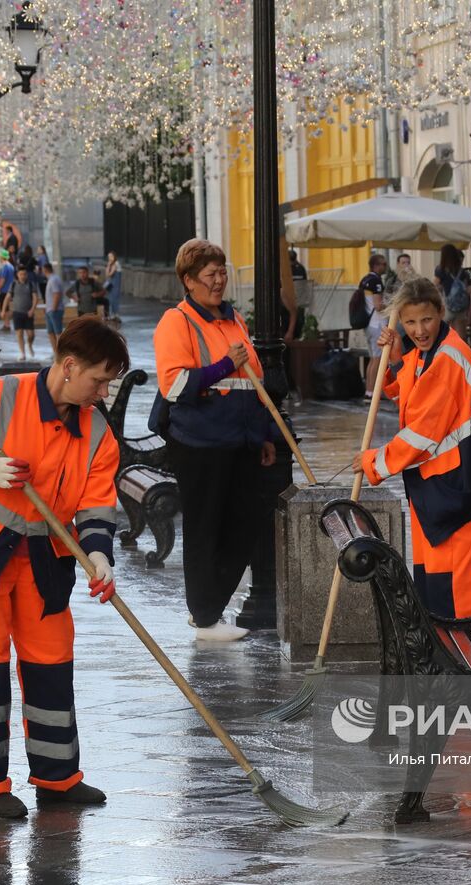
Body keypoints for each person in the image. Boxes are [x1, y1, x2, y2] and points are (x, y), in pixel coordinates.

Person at [0, 316, 126, 819]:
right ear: (69, 365)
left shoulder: (96, 431)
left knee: (52, 666)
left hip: (45, 561)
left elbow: (97, 504)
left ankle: (58, 779)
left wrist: (98, 554)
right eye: (99, 380)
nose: (103, 392)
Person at [150, 239, 277, 642]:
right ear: (189, 280)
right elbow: (174, 385)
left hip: (241, 440)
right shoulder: (177, 322)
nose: (219, 280)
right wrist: (225, 365)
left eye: (222, 272)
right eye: (211, 274)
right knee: (206, 529)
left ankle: (210, 608)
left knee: (244, 526)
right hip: (200, 443)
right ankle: (205, 617)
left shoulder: (233, 318)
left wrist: (265, 435)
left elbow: (252, 383)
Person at [360, 277, 471, 619]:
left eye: (427, 319)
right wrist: (397, 361)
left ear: (441, 312)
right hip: (433, 488)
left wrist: (373, 463)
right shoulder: (426, 354)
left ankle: (463, 649)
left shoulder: (447, 359)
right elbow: (411, 398)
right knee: (434, 585)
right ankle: (441, 645)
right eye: (410, 322)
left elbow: (421, 433)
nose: (419, 330)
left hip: (449, 490)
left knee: (455, 596)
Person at [360, 253, 389, 402]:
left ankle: (369, 391)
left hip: (368, 324)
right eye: (383, 264)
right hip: (377, 324)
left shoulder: (365, 279)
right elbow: (378, 305)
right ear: (376, 265)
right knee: (377, 359)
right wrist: (392, 305)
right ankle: (371, 393)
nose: (385, 266)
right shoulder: (376, 281)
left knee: (373, 359)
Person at [1, 265, 42, 361]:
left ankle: (29, 344)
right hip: (17, 312)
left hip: (28, 313)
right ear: (17, 275)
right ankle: (22, 353)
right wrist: (3, 310)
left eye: (24, 274)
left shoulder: (31, 284)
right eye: (21, 274)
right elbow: (7, 298)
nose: (23, 276)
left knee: (31, 334)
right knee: (19, 334)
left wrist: (32, 309)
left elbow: (35, 298)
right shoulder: (13, 284)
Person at [435, 244, 470, 337]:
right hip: (461, 306)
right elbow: (468, 288)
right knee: (460, 334)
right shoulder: (463, 272)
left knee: (443, 332)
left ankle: (447, 346)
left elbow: (435, 286)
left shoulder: (441, 270)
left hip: (448, 306)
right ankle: (459, 346)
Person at [43, 262, 66, 357]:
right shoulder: (51, 279)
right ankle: (55, 353)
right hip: (50, 309)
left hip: (55, 310)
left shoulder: (54, 279)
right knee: (50, 332)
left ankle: (61, 353)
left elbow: (57, 293)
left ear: (45, 270)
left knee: (58, 332)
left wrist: (54, 308)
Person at [104, 251, 123, 321]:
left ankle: (115, 314)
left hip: (115, 284)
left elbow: (110, 274)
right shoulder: (110, 264)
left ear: (114, 257)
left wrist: (109, 266)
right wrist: (108, 265)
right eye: (109, 257)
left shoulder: (116, 263)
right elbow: (107, 275)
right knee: (110, 298)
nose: (110, 258)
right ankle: (112, 314)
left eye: (111, 256)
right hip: (111, 284)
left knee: (115, 298)